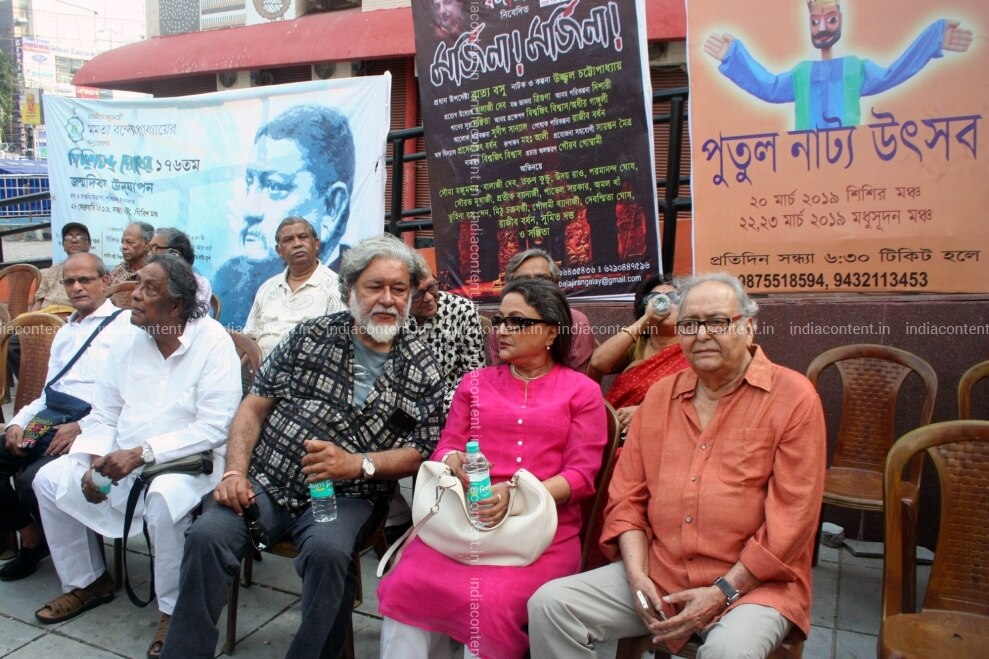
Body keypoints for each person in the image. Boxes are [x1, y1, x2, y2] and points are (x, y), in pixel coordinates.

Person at [162, 234, 443, 659]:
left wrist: (357, 464)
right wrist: (235, 472)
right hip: (267, 480)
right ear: (349, 290)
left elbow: (422, 449)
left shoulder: (422, 365)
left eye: (399, 289)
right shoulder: (310, 336)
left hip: (349, 496)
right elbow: (253, 408)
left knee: (330, 555)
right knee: (207, 535)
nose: (388, 299)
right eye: (375, 287)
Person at [528, 272, 827, 658]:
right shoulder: (660, 397)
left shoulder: (793, 398)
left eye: (717, 322)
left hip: (756, 585)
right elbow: (627, 500)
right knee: (551, 606)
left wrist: (723, 591)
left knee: (727, 653)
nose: (701, 335)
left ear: (749, 327)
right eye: (689, 324)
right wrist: (637, 578)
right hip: (659, 570)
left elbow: (793, 521)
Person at [378, 277, 607, 659]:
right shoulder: (476, 383)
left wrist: (517, 494)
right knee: (407, 582)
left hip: (538, 530)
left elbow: (581, 477)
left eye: (516, 322)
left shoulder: (581, 392)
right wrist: (455, 465)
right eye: (499, 320)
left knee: (491, 602)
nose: (500, 330)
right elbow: (446, 446)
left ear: (551, 331)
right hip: (463, 519)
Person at [31, 254, 242, 659]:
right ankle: (87, 582)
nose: (134, 296)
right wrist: (97, 460)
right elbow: (106, 410)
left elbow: (215, 427)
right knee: (49, 479)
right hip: (122, 453)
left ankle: (172, 610)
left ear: (176, 305)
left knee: (163, 496)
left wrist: (141, 453)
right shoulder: (128, 338)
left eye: (148, 289)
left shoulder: (213, 341)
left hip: (188, 461)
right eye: (135, 284)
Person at [0, 253, 128, 581]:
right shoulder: (65, 331)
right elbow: (47, 392)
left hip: (94, 423)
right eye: (70, 281)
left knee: (33, 480)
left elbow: (127, 398)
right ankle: (32, 537)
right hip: (51, 414)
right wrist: (17, 422)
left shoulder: (125, 329)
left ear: (105, 282)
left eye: (85, 279)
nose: (76, 287)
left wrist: (81, 427)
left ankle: (86, 570)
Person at [705, 0, 973, 130]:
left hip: (849, 164)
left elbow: (895, 72)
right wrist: (734, 56)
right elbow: (769, 87)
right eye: (815, 21)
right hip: (806, 163)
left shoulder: (854, 68)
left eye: (830, 20)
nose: (822, 28)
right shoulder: (802, 73)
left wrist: (932, 40)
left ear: (841, 19)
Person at [212, 104, 356, 328]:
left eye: (275, 186)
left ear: (331, 207)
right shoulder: (232, 281)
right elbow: (249, 341)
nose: (251, 210)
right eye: (250, 182)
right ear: (280, 248)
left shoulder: (345, 286)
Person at [587, 274, 690, 432]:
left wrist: (645, 411)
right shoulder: (639, 342)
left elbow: (697, 401)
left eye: (673, 297)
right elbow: (597, 363)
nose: (663, 302)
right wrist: (645, 320)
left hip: (666, 431)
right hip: (617, 431)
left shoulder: (694, 347)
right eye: (654, 297)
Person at [242, 217, 345, 358]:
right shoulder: (267, 287)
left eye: (303, 237)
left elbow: (338, 345)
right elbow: (250, 338)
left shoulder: (336, 287)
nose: (297, 244)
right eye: (288, 240)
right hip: (262, 374)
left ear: (316, 244)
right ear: (279, 250)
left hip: (309, 375)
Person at [486, 249, 596, 372]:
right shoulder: (500, 325)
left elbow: (578, 383)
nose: (534, 287)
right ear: (510, 287)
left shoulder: (577, 323)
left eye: (542, 279)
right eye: (524, 281)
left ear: (555, 284)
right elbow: (498, 378)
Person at [408, 252, 485, 410]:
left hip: (451, 407)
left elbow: (473, 375)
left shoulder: (462, 310)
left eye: (432, 286)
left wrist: (439, 411)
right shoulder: (390, 316)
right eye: (418, 295)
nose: (429, 298)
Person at [32, 222, 91, 311]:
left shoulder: (96, 271)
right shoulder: (52, 270)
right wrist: (30, 320)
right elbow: (39, 302)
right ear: (63, 245)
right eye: (68, 237)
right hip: (45, 317)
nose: (74, 241)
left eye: (80, 237)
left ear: (89, 244)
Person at [149, 227, 212, 310]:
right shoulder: (147, 278)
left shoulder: (201, 283)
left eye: (155, 248)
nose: (149, 254)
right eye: (149, 248)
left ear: (174, 254)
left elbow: (193, 317)